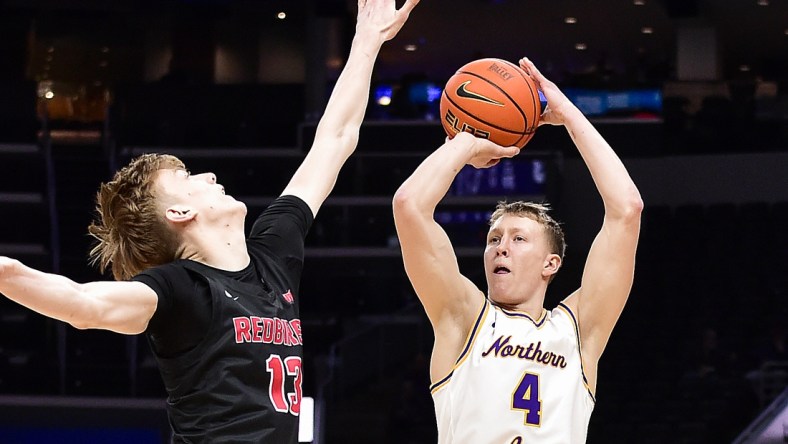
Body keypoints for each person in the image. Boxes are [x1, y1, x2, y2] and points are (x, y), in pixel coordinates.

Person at [0, 0, 418, 442]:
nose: (210, 175)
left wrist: (367, 41)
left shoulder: (273, 253)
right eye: (186, 177)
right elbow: (82, 305)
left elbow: (334, 141)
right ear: (178, 213)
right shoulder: (181, 288)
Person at [392, 57, 643, 443]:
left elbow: (627, 210)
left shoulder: (578, 332)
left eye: (518, 239)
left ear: (551, 263)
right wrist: (465, 142)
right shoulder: (463, 318)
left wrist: (570, 114)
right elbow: (410, 206)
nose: (500, 249)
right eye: (494, 239)